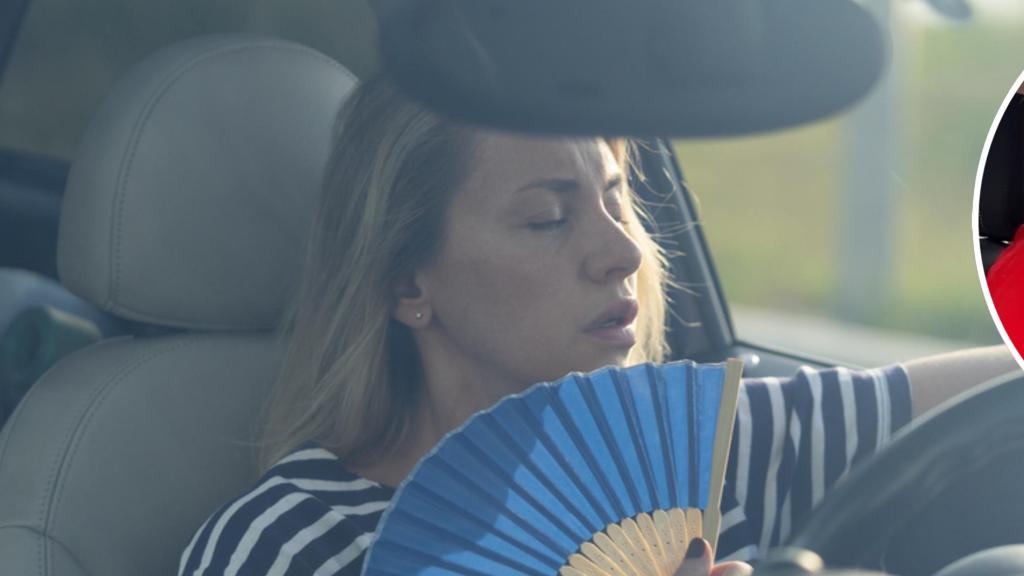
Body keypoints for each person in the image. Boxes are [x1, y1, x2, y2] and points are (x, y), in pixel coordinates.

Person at [177, 77, 1017, 576]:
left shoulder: (722, 445)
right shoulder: (294, 542)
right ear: (406, 282)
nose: (620, 252)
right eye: (547, 219)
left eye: (616, 199)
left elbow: (994, 405)